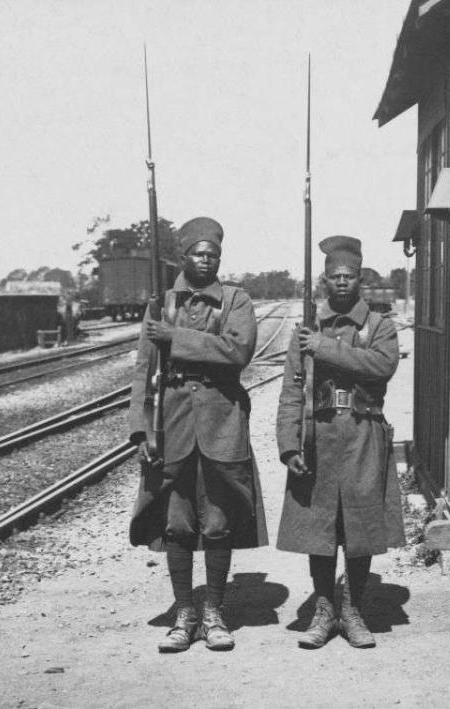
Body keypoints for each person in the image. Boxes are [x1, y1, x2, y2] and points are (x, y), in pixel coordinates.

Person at [127, 216, 267, 653]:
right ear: (184, 257)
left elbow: (237, 351)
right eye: (198, 253)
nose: (206, 261)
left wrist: (177, 337)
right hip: (172, 425)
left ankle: (215, 613)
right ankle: (184, 613)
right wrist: (139, 429)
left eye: (213, 254)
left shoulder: (236, 300)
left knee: (220, 521)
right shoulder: (161, 303)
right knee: (178, 522)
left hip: (222, 420)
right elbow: (143, 370)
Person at [276, 235, 404, 650]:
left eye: (350, 276)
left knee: (360, 525)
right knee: (320, 525)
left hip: (364, 432)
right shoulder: (306, 330)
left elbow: (381, 367)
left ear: (360, 280)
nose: (343, 283)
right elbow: (292, 390)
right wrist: (290, 444)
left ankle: (353, 609)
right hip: (319, 434)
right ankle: (324, 608)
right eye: (335, 277)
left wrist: (326, 348)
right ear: (324, 281)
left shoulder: (379, 326)